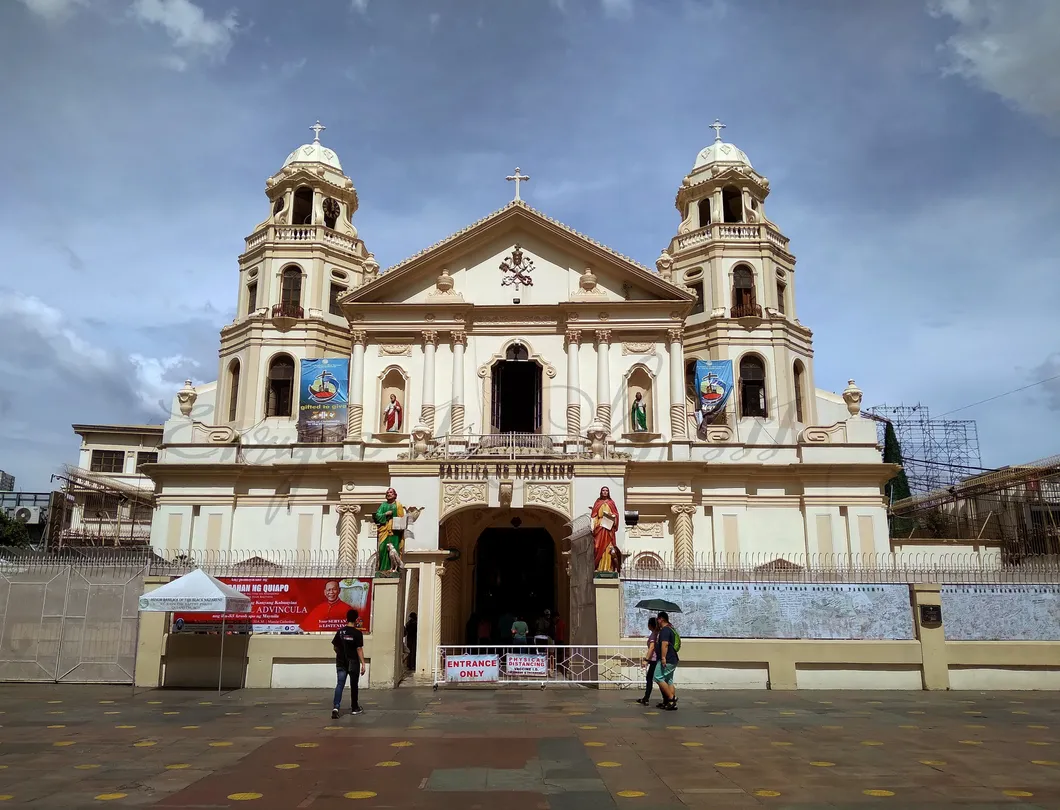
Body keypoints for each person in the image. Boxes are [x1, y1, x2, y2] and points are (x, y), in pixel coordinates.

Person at [331, 609, 365, 718]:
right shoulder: (357, 633)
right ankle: (355, 707)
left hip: (341, 662)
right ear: (356, 619)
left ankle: (336, 707)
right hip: (353, 662)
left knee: (340, 684)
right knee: (354, 685)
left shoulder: (340, 632)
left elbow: (335, 647)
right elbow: (359, 649)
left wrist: (340, 654)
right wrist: (363, 663)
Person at [374, 488, 405, 573]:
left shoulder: (398, 505)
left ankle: (394, 569)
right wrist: (385, 514)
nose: (389, 494)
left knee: (394, 550)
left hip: (395, 531)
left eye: (391, 492)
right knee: (382, 549)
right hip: (384, 530)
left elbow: (402, 518)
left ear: (395, 495)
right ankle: (383, 569)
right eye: (387, 493)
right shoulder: (383, 505)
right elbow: (377, 515)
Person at [654, 611, 679, 711]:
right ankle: (670, 703)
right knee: (669, 680)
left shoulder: (665, 630)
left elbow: (665, 644)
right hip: (673, 659)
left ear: (661, 619)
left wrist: (663, 658)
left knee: (657, 677)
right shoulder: (670, 629)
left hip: (667, 659)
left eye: (658, 619)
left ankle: (671, 698)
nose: (657, 621)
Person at [591, 486, 619, 573]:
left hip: (608, 527)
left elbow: (616, 514)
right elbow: (594, 515)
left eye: (607, 490)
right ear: (601, 492)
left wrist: (613, 517)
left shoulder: (611, 502)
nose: (605, 492)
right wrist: (593, 524)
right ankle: (598, 567)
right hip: (599, 526)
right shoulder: (597, 502)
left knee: (608, 549)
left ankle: (609, 568)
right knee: (597, 547)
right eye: (603, 490)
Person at [637, 617, 659, 706]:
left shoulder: (654, 635)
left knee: (650, 678)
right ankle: (646, 697)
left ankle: (646, 698)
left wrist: (646, 660)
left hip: (654, 659)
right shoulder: (657, 634)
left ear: (650, 625)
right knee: (657, 678)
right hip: (655, 659)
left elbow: (651, 648)